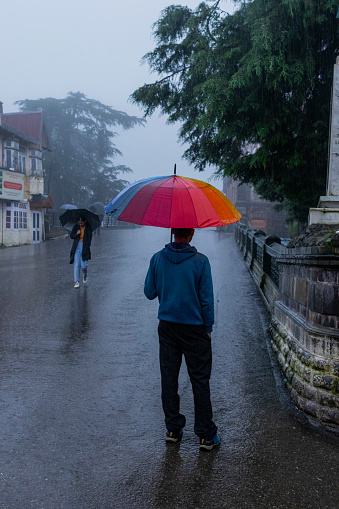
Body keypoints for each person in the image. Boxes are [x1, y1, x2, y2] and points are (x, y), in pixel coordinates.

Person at [144, 227, 221, 451]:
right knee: (199, 380)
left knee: (169, 377)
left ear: (172, 231)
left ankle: (173, 429)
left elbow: (149, 292)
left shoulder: (158, 258)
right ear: (191, 234)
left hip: (167, 326)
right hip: (195, 329)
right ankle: (206, 435)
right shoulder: (201, 262)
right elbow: (206, 298)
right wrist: (208, 327)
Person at [69, 216, 93, 289]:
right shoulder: (76, 227)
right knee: (76, 265)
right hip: (76, 247)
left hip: (85, 247)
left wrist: (86, 248)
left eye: (81, 223)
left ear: (84, 222)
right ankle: (77, 281)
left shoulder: (88, 228)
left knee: (83, 266)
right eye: (79, 223)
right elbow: (71, 236)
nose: (80, 224)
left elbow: (89, 240)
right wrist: (76, 234)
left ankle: (85, 274)